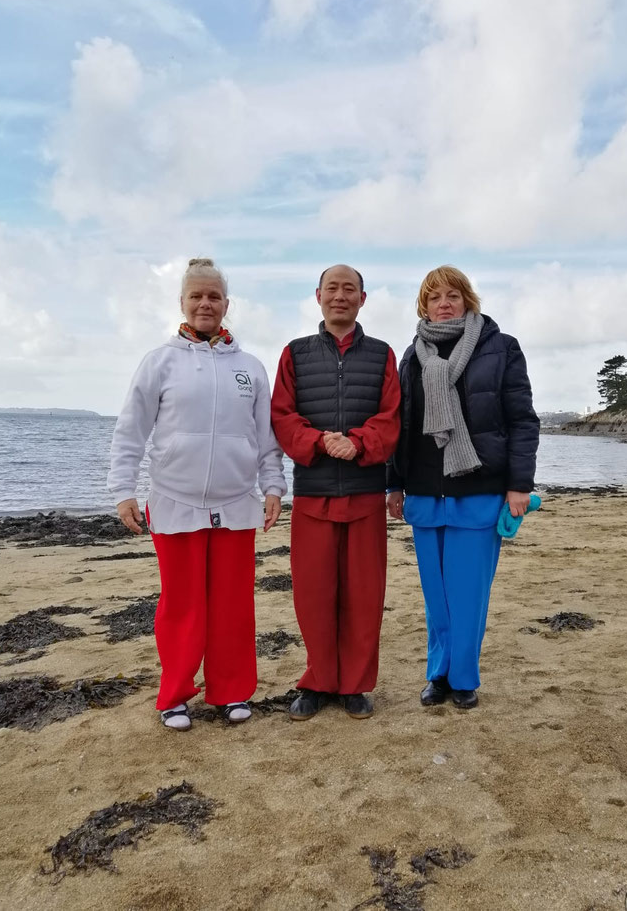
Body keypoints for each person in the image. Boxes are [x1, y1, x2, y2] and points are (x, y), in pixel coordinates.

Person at [108, 258, 286, 731]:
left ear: (227, 304)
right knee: (182, 605)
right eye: (196, 296)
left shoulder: (249, 367)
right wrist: (123, 489)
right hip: (174, 501)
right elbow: (131, 430)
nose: (205, 304)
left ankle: (230, 692)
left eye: (214, 296)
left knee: (232, 604)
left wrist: (273, 486)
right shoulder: (160, 361)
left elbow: (266, 437)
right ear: (183, 303)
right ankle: (175, 696)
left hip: (235, 503)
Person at [387, 266, 539, 709]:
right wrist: (393, 483)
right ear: (424, 306)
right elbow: (402, 426)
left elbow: (522, 421)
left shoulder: (500, 347)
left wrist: (519, 486)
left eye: (453, 295)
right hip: (424, 492)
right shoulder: (411, 356)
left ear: (468, 299)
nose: (444, 303)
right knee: (436, 596)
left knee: (468, 594)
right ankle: (437, 674)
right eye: (435, 298)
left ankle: (464, 679)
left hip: (480, 489)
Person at [271, 265, 401, 721]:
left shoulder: (384, 355)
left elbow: (392, 418)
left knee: (364, 596)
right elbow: (282, 417)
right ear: (318, 296)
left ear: (363, 299)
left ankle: (356, 686)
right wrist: (320, 441)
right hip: (314, 494)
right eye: (333, 288)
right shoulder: (295, 353)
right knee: (313, 595)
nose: (340, 296)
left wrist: (359, 442)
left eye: (350, 289)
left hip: (365, 492)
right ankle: (319, 681)